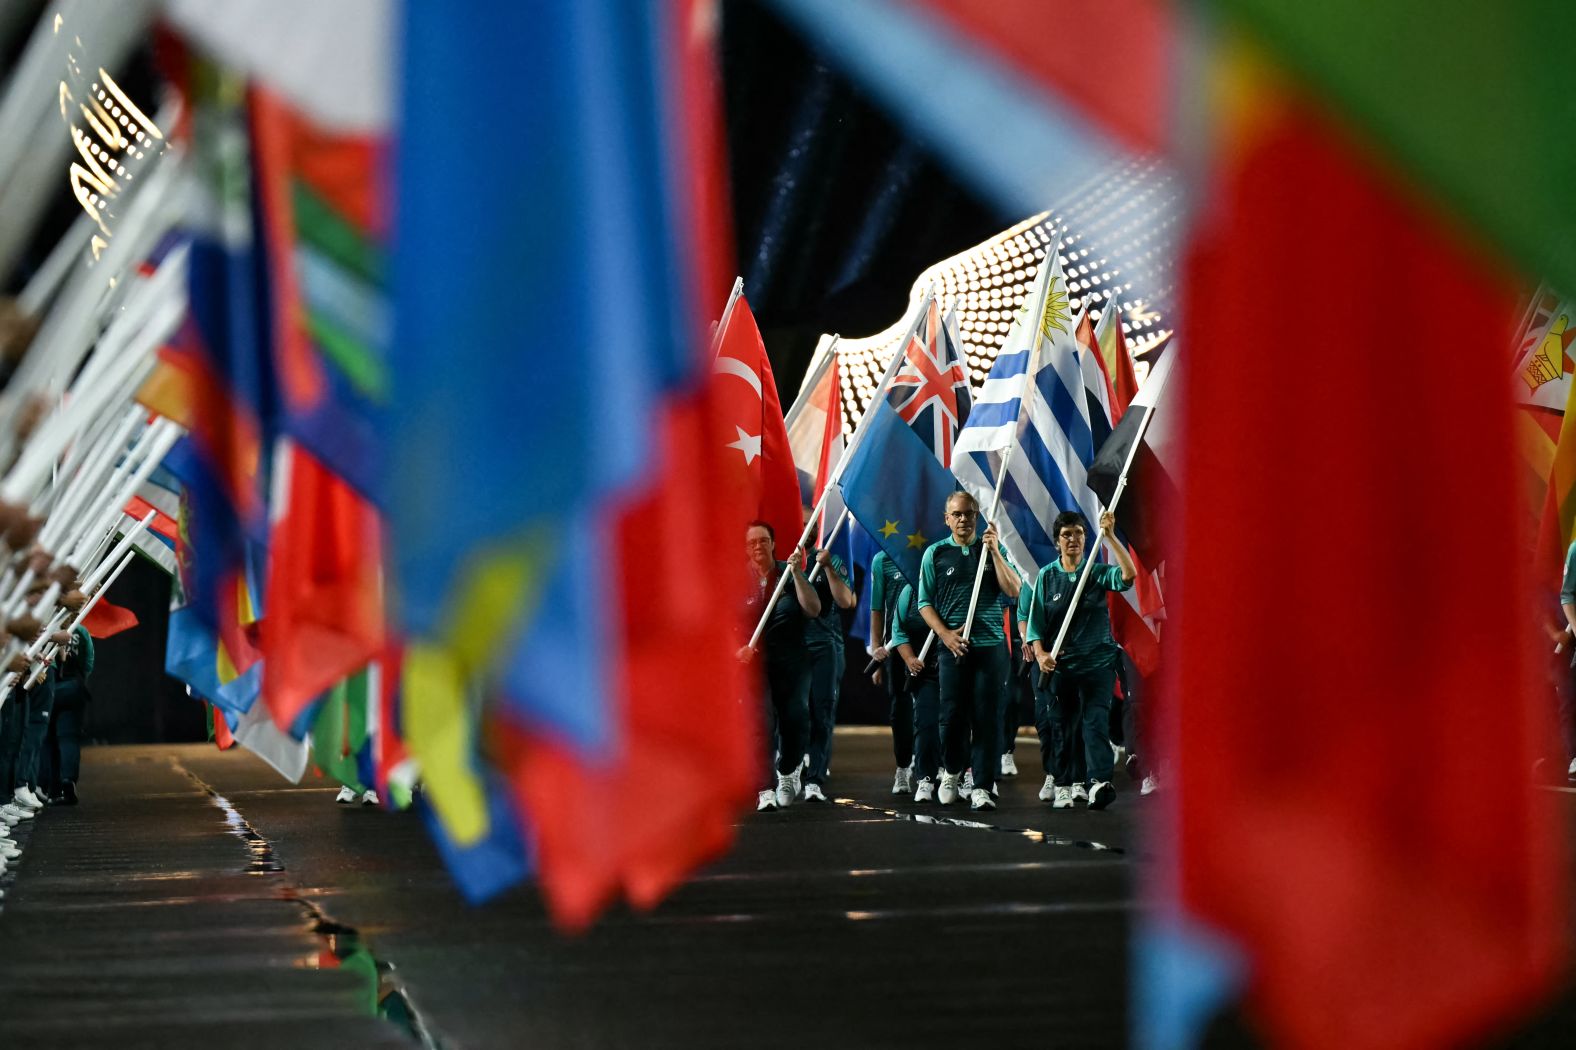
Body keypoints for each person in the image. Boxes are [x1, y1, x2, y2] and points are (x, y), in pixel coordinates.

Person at [1025, 509, 1136, 810]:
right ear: (1057, 542)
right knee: (1063, 726)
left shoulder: (1096, 572)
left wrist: (1111, 537)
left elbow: (1128, 576)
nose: (1073, 539)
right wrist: (1041, 654)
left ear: (1087, 539)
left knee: (1095, 723)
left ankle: (1099, 782)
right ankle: (1065, 783)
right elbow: (1035, 625)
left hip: (1098, 663)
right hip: (1062, 668)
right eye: (1066, 535)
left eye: (1078, 533)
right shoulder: (1047, 576)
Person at [917, 491, 1020, 810]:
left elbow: (1013, 590)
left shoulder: (991, 549)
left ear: (978, 517)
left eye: (969, 514)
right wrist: (945, 635)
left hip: (990, 648)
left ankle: (982, 786)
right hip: (953, 650)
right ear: (946, 518)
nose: (963, 519)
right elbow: (924, 603)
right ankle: (950, 772)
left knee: (988, 719)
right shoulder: (935, 554)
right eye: (957, 514)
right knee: (952, 717)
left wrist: (995, 552)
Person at [740, 520, 821, 810]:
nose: (758, 547)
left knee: (795, 720)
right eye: (752, 543)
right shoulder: (736, 580)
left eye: (763, 541)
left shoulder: (788, 572)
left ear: (773, 544)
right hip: (754, 665)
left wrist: (798, 573)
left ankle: (788, 770)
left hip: (792, 662)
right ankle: (765, 788)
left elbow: (813, 609)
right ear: (745, 548)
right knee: (761, 723)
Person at [802, 513, 857, 803]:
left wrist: (828, 568)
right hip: (793, 649)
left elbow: (847, 601)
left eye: (810, 524)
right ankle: (791, 764)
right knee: (793, 713)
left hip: (826, 646)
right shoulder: (786, 561)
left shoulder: (830, 560)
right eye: (800, 524)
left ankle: (816, 776)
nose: (805, 529)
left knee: (821, 712)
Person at [887, 580, 943, 801]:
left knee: (955, 723)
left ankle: (959, 774)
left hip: (955, 664)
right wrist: (909, 658)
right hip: (924, 669)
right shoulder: (909, 592)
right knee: (926, 722)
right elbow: (898, 631)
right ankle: (925, 779)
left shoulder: (954, 586)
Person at [868, 549, 914, 795]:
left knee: (938, 707)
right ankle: (903, 767)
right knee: (901, 708)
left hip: (932, 638)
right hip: (895, 644)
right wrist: (876, 648)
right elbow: (877, 608)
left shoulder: (932, 552)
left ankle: (938, 766)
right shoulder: (882, 560)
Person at [43, 624, 92, 804]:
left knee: (47, 739)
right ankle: (68, 779)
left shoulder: (47, 625)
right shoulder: (81, 631)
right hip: (73, 687)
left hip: (50, 688)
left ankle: (49, 787)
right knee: (69, 737)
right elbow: (88, 663)